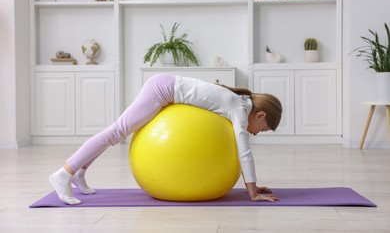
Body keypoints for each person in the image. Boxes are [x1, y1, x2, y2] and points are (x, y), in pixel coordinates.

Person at [49, 74, 282, 205]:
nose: (256, 133)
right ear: (260, 115)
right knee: (117, 132)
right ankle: (64, 173)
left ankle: (79, 172)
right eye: (262, 129)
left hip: (164, 85)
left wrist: (252, 186)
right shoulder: (239, 110)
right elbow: (244, 151)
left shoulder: (239, 104)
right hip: (161, 90)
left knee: (116, 132)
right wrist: (252, 192)